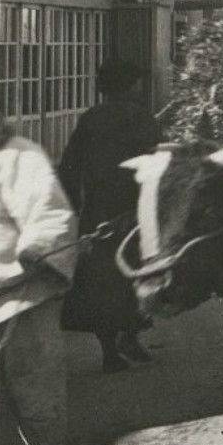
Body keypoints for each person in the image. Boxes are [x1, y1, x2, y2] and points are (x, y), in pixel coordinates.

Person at [57, 59, 161, 372]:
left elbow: (69, 167)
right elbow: (158, 163)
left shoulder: (91, 118)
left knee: (100, 282)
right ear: (129, 86)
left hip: (99, 211)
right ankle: (130, 335)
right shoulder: (141, 118)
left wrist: (73, 208)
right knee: (138, 273)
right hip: (135, 210)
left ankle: (110, 352)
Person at [0, 118, 79, 445]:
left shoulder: (18, 157)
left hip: (19, 291)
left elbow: (50, 215)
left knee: (34, 384)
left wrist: (33, 253)